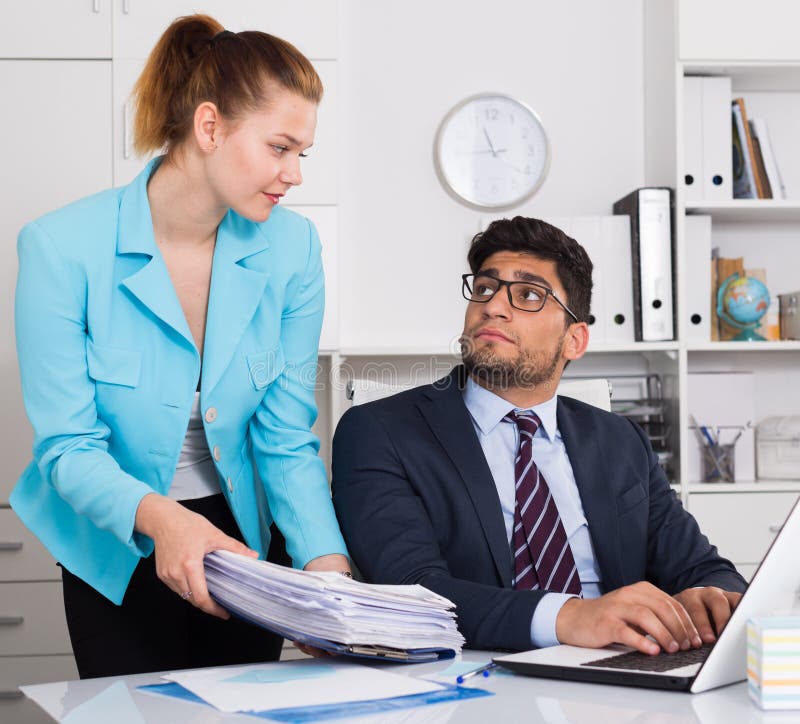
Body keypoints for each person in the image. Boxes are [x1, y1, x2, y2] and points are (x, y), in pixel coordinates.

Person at [11, 14, 350, 678]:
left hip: (245, 543)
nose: (295, 175)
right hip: (115, 536)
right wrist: (166, 522)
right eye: (280, 147)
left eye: (302, 154)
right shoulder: (60, 248)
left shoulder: (293, 250)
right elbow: (68, 448)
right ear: (209, 127)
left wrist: (324, 572)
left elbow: (283, 435)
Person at [332, 217, 746, 655]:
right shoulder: (379, 431)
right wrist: (571, 616)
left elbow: (702, 567)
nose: (492, 306)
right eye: (485, 288)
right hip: (472, 678)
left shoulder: (621, 439)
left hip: (621, 673)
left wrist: (710, 597)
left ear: (575, 340)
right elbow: (412, 591)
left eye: (528, 294)